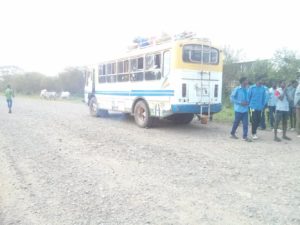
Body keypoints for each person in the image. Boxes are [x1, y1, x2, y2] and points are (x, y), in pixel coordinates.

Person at [229, 77, 252, 142]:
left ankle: (245, 137)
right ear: (243, 82)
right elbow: (231, 98)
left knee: (245, 124)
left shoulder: (248, 89)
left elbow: (248, 98)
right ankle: (232, 133)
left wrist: (248, 102)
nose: (247, 81)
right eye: (246, 80)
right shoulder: (237, 89)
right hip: (238, 109)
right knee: (236, 122)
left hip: (245, 109)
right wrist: (240, 102)